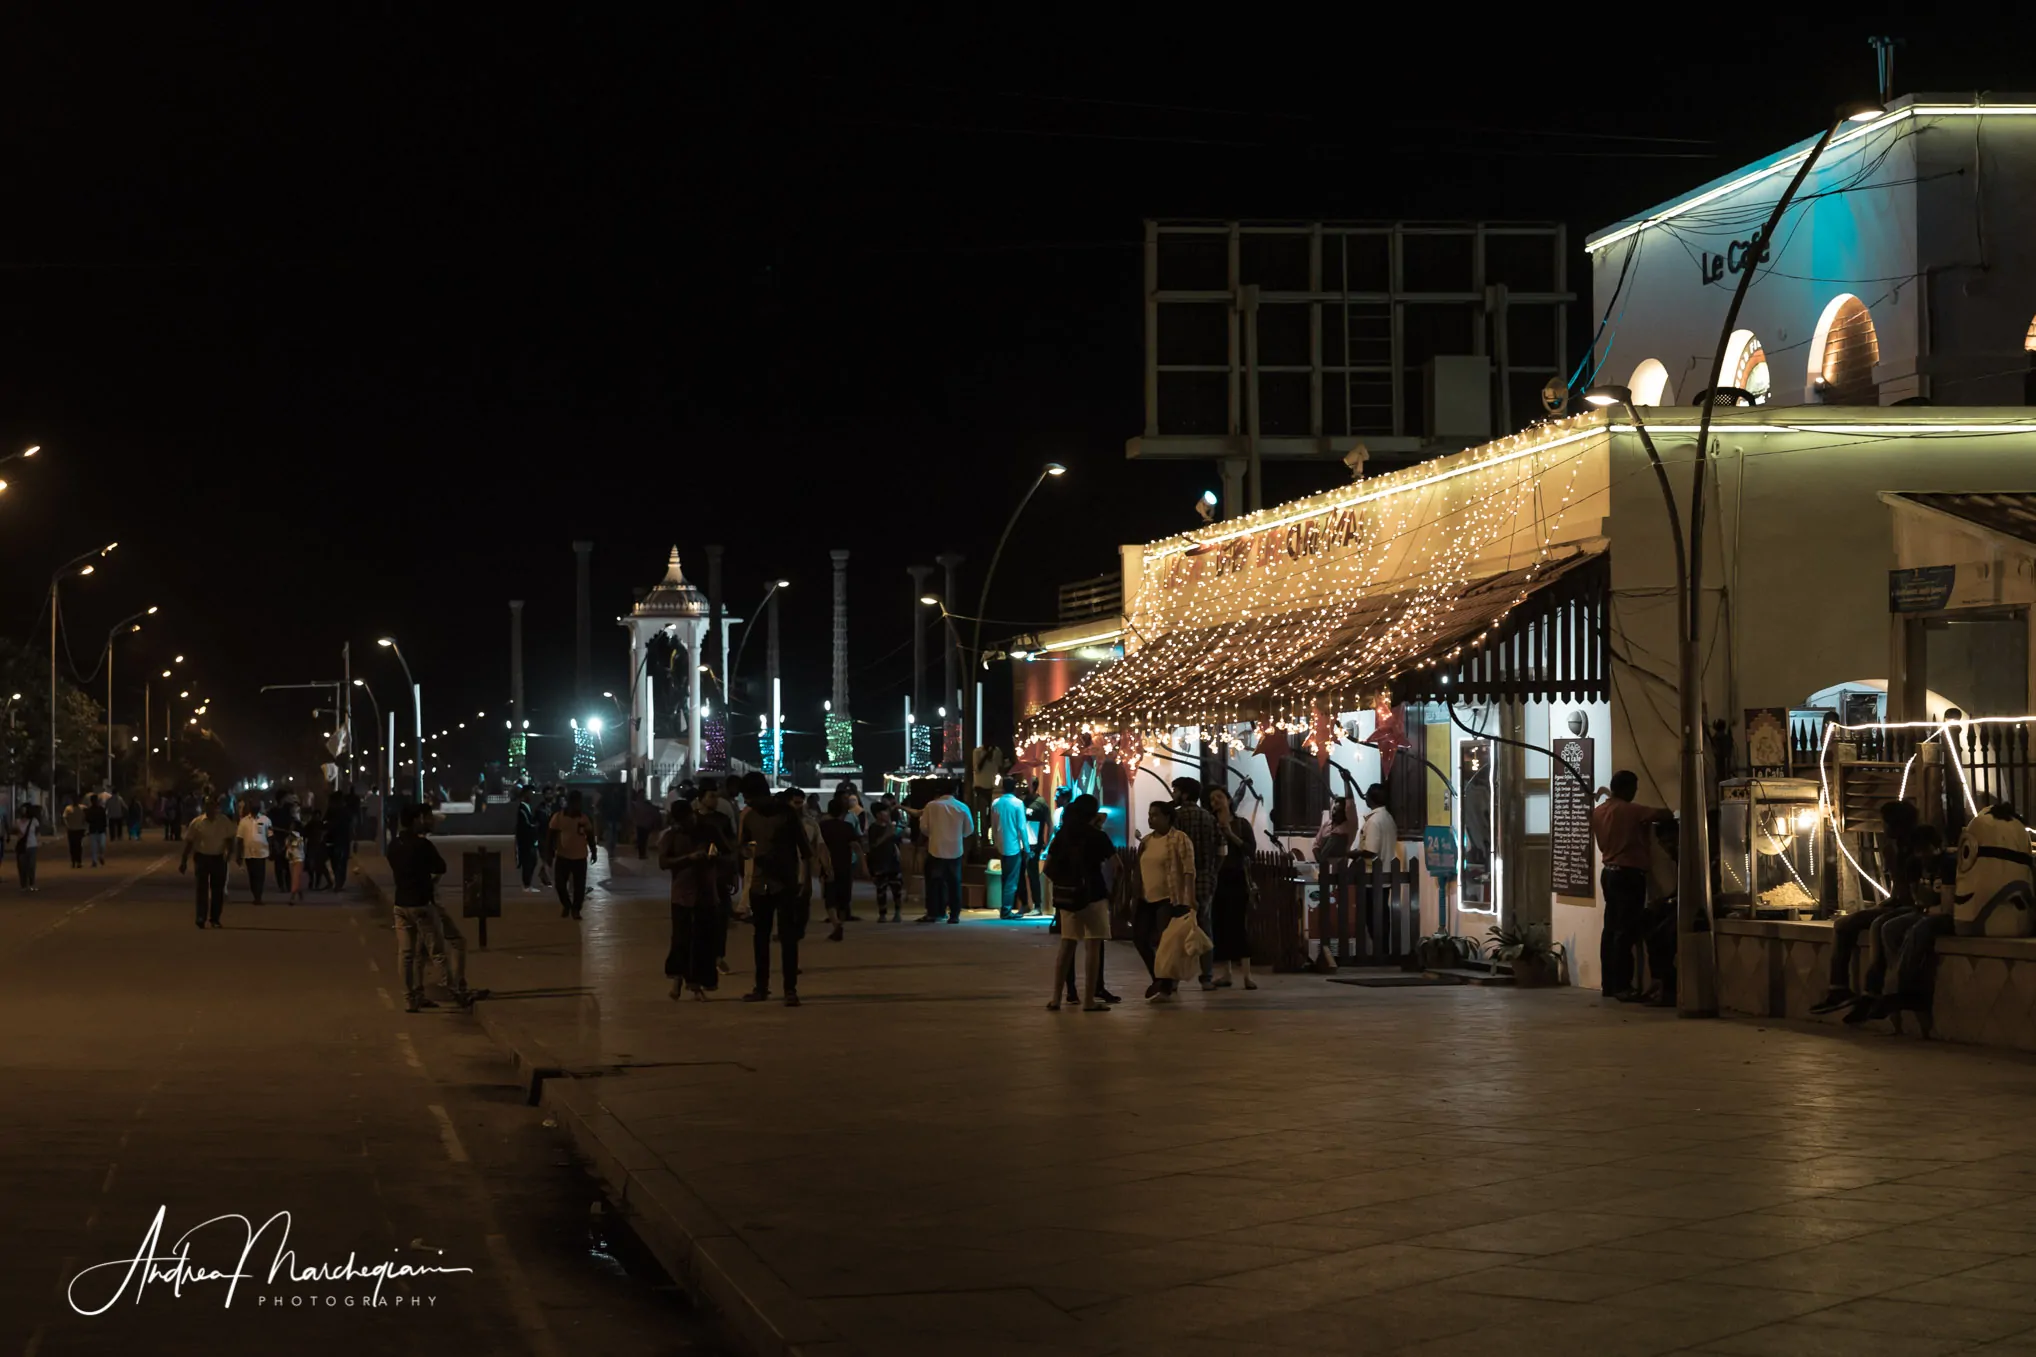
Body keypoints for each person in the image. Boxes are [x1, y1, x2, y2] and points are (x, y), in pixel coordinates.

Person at [1811, 800, 1920, 1014]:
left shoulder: (1915, 849)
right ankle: (1838, 988)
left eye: (1885, 823)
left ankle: (1873, 990)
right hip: (1897, 903)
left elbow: (1914, 892)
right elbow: (1898, 888)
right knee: (1844, 925)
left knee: (1879, 926)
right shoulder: (1892, 848)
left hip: (1913, 907)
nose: (1882, 828)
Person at [386, 803, 480, 1012]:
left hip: (400, 904)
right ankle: (456, 991)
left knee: (407, 953)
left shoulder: (393, 845)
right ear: (417, 819)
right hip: (422, 905)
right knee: (437, 952)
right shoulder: (422, 845)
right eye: (427, 817)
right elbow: (440, 867)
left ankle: (411, 998)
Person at [1591, 771, 1674, 1000]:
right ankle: (1622, 986)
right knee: (1626, 931)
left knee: (1610, 929)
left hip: (1608, 873)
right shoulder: (1631, 810)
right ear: (1628, 788)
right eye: (1634, 788)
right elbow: (1665, 814)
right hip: (1629, 875)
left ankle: (1609, 984)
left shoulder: (1598, 811)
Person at [741, 780, 814, 1006]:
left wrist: (805, 879)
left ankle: (790, 989)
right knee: (760, 938)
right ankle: (761, 987)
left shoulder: (787, 815)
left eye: (751, 798)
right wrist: (750, 853)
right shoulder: (750, 816)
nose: (748, 803)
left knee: (788, 937)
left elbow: (805, 850)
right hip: (760, 884)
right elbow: (742, 847)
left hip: (785, 883)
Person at [1044, 794, 1116, 1011]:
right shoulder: (1098, 836)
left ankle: (1056, 997)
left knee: (1067, 945)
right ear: (1093, 814)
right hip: (1094, 895)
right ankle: (1089, 1000)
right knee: (1093, 946)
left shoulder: (1062, 836)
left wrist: (1065, 882)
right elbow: (1117, 865)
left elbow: (1048, 867)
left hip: (1069, 897)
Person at [660, 799, 728, 1001]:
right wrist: (688, 859)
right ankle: (678, 979)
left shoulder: (709, 830)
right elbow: (663, 862)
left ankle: (696, 983)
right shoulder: (672, 835)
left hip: (706, 893)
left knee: (703, 941)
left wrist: (715, 859)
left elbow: (726, 851)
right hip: (682, 895)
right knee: (681, 939)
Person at [1133, 800, 1198, 1001]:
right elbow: (1138, 869)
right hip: (1146, 897)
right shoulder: (1146, 841)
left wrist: (1190, 896)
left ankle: (1166, 986)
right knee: (1140, 938)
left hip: (1169, 898)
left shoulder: (1179, 839)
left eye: (1155, 815)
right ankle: (1159, 978)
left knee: (1165, 943)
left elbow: (1188, 869)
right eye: (1149, 815)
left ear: (1167, 817)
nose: (1150, 818)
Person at [1170, 777, 1222, 991]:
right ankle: (1207, 977)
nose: (1173, 795)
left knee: (1177, 930)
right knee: (1204, 927)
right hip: (1205, 881)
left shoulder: (1175, 818)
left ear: (1183, 794)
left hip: (1180, 882)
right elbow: (1221, 850)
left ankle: (1172, 980)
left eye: (1175, 791)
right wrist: (1212, 872)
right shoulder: (1208, 818)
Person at [1206, 785, 1257, 990]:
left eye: (1219, 797)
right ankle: (1226, 973)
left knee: (1238, 924)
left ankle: (1247, 975)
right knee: (1219, 924)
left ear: (1228, 799)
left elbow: (1250, 850)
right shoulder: (1210, 824)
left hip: (1236, 877)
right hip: (1217, 877)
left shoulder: (1241, 824)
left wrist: (1230, 834)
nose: (1215, 802)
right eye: (1212, 799)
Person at [916, 779, 974, 924]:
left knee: (934, 884)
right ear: (955, 791)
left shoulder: (931, 806)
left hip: (936, 849)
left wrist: (934, 834)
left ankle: (934, 913)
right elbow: (969, 830)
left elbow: (924, 828)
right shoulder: (962, 807)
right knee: (954, 883)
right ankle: (954, 915)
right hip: (955, 850)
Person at [179, 794, 236, 927]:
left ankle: (215, 918)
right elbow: (189, 842)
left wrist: (230, 852)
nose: (210, 808)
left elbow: (230, 838)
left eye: (213, 805)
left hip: (218, 858)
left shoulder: (224, 821)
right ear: (204, 807)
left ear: (217, 807)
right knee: (201, 889)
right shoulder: (197, 822)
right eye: (207, 805)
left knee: (218, 890)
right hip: (202, 858)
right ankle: (200, 917)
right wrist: (183, 861)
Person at [549, 788, 599, 919]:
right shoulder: (559, 817)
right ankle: (566, 904)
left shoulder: (584, 818)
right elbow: (551, 835)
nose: (577, 805)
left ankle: (576, 909)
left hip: (580, 856)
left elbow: (590, 836)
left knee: (579, 887)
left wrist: (593, 851)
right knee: (560, 884)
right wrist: (549, 852)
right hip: (563, 855)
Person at [818, 795, 861, 940]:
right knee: (843, 897)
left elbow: (820, 847)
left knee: (830, 897)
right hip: (845, 865)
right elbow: (856, 846)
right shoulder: (847, 827)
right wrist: (864, 865)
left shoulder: (822, 826)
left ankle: (836, 923)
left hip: (829, 865)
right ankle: (840, 922)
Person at [988, 777, 1033, 919]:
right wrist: (1027, 848)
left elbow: (993, 826)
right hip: (1013, 846)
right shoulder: (1018, 803)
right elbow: (1022, 827)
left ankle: (1004, 907)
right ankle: (1006, 910)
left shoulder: (996, 803)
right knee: (1011, 880)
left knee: (1005, 878)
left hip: (1001, 845)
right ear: (1015, 788)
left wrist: (995, 842)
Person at [866, 803, 904, 920]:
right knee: (881, 889)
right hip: (879, 863)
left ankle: (897, 912)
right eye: (885, 812)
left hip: (893, 862)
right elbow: (874, 844)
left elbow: (898, 840)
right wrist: (887, 833)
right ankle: (882, 913)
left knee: (896, 889)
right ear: (878, 815)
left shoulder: (891, 827)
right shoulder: (874, 828)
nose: (887, 814)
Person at [234, 798, 274, 904]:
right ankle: (255, 894)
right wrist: (238, 855)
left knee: (260, 875)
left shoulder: (266, 820)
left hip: (261, 852)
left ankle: (258, 896)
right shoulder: (243, 821)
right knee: (252, 875)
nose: (255, 807)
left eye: (257, 805)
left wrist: (271, 850)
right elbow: (239, 839)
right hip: (248, 853)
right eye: (252, 805)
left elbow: (270, 836)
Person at [1355, 782, 1398, 861]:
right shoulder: (1388, 817)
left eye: (1367, 795)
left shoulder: (1373, 821)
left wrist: (1352, 854)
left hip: (1375, 869)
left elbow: (1370, 852)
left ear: (1371, 799)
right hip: (1388, 867)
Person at [513, 786, 544, 893]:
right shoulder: (522, 808)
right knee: (528, 862)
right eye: (530, 793)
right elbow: (526, 825)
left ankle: (528, 883)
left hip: (529, 840)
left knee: (532, 861)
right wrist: (535, 826)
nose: (531, 795)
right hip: (526, 841)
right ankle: (526, 885)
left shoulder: (527, 807)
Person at [326, 788, 358, 890]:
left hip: (339, 839)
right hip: (337, 839)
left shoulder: (342, 811)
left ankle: (339, 882)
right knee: (339, 862)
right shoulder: (337, 811)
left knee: (339, 861)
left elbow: (351, 826)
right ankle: (339, 881)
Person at [14, 803, 40, 892]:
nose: (23, 811)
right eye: (22, 809)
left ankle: (32, 884)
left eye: (25, 809)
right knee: (22, 866)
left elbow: (36, 832)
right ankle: (23, 885)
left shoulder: (34, 821)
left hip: (32, 846)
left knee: (31, 866)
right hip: (21, 847)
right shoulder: (17, 821)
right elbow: (14, 831)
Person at [62, 798, 88, 869]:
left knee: (79, 846)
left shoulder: (83, 808)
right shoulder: (68, 808)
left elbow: (87, 818)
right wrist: (67, 825)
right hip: (71, 829)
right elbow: (64, 817)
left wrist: (85, 826)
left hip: (80, 829)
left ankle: (79, 861)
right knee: (72, 846)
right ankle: (73, 861)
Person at [84, 794, 109, 867]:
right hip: (93, 831)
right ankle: (94, 861)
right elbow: (87, 819)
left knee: (102, 846)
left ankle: (101, 856)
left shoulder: (101, 809)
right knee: (93, 847)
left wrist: (105, 828)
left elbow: (104, 820)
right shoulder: (89, 810)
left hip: (101, 830)